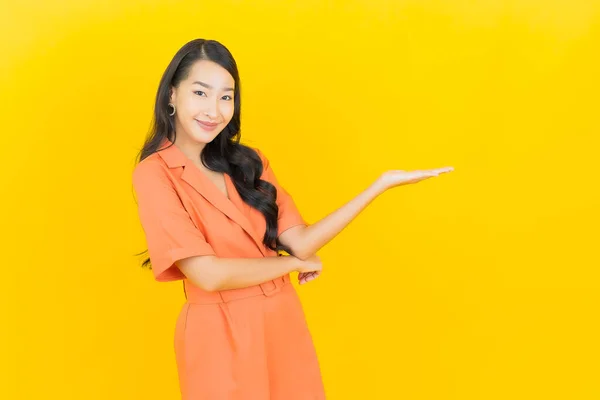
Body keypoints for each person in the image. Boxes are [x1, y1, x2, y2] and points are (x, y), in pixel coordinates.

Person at [132, 38, 453, 400]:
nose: (214, 110)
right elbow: (209, 274)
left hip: (282, 320)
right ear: (172, 95)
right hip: (217, 333)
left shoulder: (249, 162)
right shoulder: (154, 173)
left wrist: (378, 186)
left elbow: (301, 239)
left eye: (226, 96)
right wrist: (290, 265)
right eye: (201, 93)